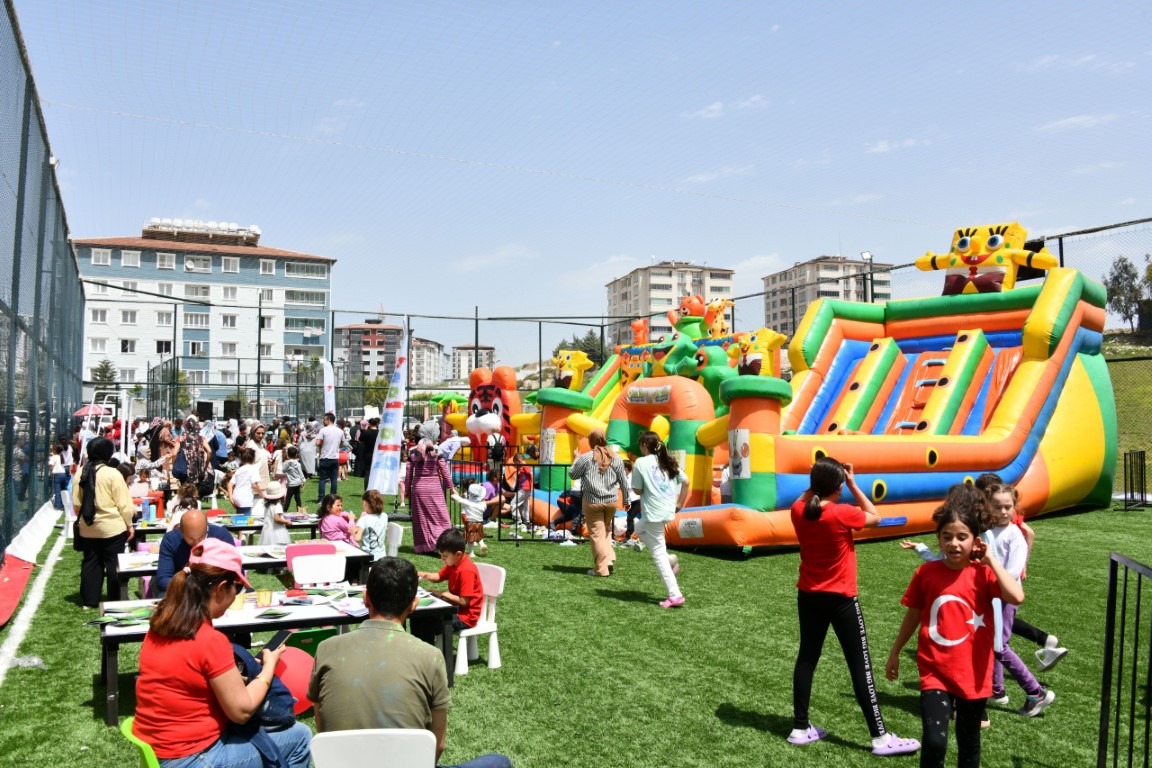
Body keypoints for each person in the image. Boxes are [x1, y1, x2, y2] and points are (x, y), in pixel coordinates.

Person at [307, 557, 511, 768]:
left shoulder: (326, 649)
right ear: (414, 604)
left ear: (365, 598)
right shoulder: (430, 657)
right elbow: (437, 745)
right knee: (500, 762)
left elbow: (323, 728)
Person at [133, 539, 312, 768]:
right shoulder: (209, 640)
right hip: (192, 757)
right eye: (236, 588)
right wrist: (269, 667)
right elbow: (242, 710)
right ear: (220, 589)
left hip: (160, 750)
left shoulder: (160, 625)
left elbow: (187, 680)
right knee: (300, 737)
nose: (236, 595)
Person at [787, 456, 919, 756]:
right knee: (860, 666)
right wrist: (854, 484)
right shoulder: (842, 513)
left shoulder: (798, 510)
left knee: (806, 658)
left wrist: (820, 481)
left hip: (808, 596)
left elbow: (807, 497)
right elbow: (874, 515)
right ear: (838, 487)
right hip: (842, 600)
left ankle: (799, 727)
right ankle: (880, 737)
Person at [886, 484, 1024, 768]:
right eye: (947, 536)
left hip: (973, 674)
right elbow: (913, 614)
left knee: (968, 743)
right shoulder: (926, 573)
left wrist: (992, 561)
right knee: (935, 742)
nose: (954, 544)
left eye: (962, 537)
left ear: (976, 541)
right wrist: (896, 650)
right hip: (934, 671)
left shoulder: (983, 575)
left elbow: (1016, 595)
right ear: (938, 538)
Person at [981, 483, 1055, 717]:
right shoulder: (989, 531)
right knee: (995, 644)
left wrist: (992, 578)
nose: (1003, 511)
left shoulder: (1015, 535)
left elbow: (1012, 572)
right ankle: (997, 688)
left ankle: (1036, 692)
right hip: (992, 595)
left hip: (1005, 596)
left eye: (1008, 507)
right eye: (997, 507)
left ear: (1015, 507)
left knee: (999, 646)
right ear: (988, 507)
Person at [74, 437, 135, 608]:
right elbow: (124, 504)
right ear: (108, 454)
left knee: (91, 562)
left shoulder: (80, 473)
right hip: (112, 527)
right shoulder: (113, 473)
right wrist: (129, 524)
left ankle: (89, 600)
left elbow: (77, 504)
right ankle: (114, 599)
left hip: (88, 526)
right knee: (114, 563)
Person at [629, 432, 688, 605]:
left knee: (658, 554)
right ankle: (669, 559)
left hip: (653, 513)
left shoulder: (641, 462)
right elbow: (686, 482)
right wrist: (680, 504)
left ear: (644, 446)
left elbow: (637, 490)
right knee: (639, 529)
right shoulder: (667, 461)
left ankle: (675, 594)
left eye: (640, 445)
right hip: (666, 510)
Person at [569, 430, 629, 577]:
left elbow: (573, 474)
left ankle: (601, 569)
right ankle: (608, 559)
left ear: (590, 441)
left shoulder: (586, 458)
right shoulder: (616, 458)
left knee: (596, 534)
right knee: (606, 531)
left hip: (592, 501)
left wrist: (576, 458)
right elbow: (623, 481)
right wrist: (626, 499)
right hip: (611, 501)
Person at [417, 528, 484, 640]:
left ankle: (430, 655)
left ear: (458, 554)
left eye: (445, 556)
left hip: (466, 617)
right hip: (454, 609)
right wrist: (421, 574)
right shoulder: (453, 563)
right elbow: (439, 576)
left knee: (427, 624)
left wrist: (441, 593)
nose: (442, 559)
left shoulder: (466, 570)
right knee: (420, 617)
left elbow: (464, 601)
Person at [155, 508, 236, 596]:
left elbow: (237, 572)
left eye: (201, 537)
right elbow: (163, 580)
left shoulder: (221, 536)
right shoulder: (171, 540)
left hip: (216, 591)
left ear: (207, 528)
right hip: (183, 592)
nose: (197, 543)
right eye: (191, 538)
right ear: (181, 531)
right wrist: (190, 587)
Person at [404, 439, 456, 554]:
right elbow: (445, 471)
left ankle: (423, 547)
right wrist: (451, 488)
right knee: (442, 518)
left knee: (421, 520)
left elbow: (408, 474)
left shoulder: (412, 452)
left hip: (418, 488)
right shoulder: (437, 451)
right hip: (434, 488)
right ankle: (443, 544)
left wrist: (407, 490)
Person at [450, 479, 488, 557]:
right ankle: (482, 544)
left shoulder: (468, 502)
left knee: (470, 538)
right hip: (480, 523)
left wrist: (453, 493)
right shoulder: (483, 504)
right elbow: (484, 507)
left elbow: (459, 499)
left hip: (470, 523)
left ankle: (471, 552)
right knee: (479, 535)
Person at [315, 413, 343, 501]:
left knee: (322, 479)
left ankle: (321, 498)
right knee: (334, 479)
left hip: (325, 457)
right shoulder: (340, 431)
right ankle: (333, 498)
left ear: (328, 420)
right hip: (335, 457)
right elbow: (343, 443)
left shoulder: (323, 430)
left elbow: (318, 443)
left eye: (324, 419)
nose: (323, 421)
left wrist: (323, 444)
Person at [227, 448, 262, 517]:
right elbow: (254, 485)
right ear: (253, 458)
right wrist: (263, 495)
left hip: (236, 496)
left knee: (240, 518)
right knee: (245, 520)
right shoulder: (253, 469)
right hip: (245, 497)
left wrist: (231, 499)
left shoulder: (239, 470)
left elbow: (230, 485)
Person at [356, 489, 389, 560]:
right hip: (382, 556)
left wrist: (352, 531)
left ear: (365, 503)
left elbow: (357, 538)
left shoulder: (364, 519)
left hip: (367, 556)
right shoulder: (384, 516)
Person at [258, 481, 292, 547]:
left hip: (267, 531)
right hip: (277, 531)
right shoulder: (277, 505)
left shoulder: (267, 505)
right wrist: (287, 522)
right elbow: (277, 519)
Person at [621, 459, 642, 548]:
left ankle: (628, 536)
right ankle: (630, 536)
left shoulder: (632, 477)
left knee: (630, 518)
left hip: (636, 500)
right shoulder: (625, 477)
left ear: (626, 469)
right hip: (631, 501)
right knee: (629, 518)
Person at [355, 417, 379, 488]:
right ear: (377, 424)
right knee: (376, 472)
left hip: (367, 454)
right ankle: (375, 487)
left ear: (369, 424)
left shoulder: (366, 432)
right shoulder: (379, 432)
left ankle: (367, 488)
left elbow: (360, 440)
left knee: (368, 472)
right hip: (377, 454)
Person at [281, 446, 306, 514]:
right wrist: (302, 481)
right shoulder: (297, 463)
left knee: (288, 498)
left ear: (287, 454)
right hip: (297, 483)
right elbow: (300, 473)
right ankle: (300, 510)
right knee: (297, 498)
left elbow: (283, 470)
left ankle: (284, 510)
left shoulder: (287, 463)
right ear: (296, 455)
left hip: (291, 484)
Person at [49, 443, 68, 511]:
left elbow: (51, 465)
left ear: (54, 450)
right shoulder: (62, 456)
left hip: (57, 475)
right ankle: (66, 504)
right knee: (64, 490)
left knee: (57, 491)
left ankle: (58, 505)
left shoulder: (54, 457)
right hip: (63, 474)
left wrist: (51, 471)